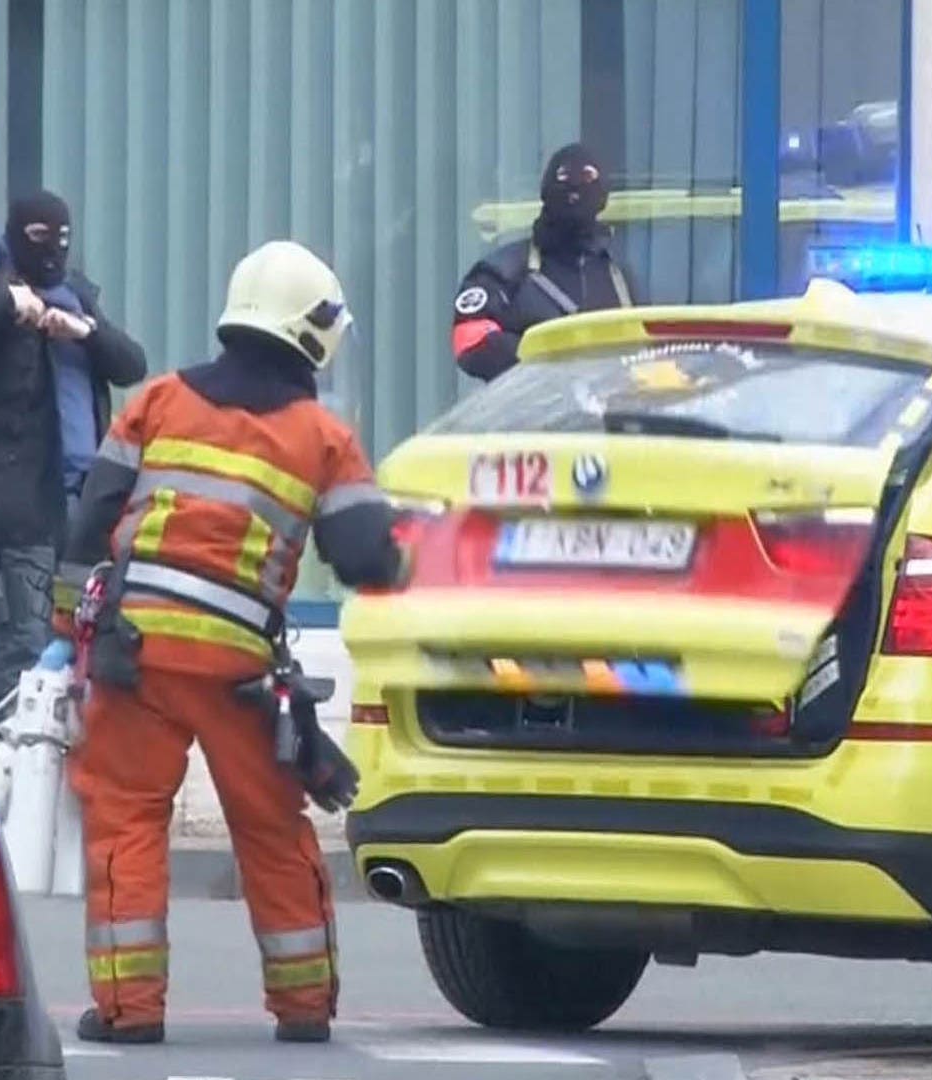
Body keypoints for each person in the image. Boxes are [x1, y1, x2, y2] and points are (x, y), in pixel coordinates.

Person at [56, 240, 407, 1045]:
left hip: (134, 656)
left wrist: (68, 638)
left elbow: (89, 520)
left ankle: (128, 1010)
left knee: (126, 822)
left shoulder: (156, 400)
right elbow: (364, 561)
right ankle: (305, 1006)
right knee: (273, 829)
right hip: (239, 671)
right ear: (313, 332)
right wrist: (409, 549)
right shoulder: (325, 438)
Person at [0, 190, 148, 720]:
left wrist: (83, 332)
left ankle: (41, 768)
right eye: (39, 238)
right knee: (20, 641)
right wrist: (7, 303)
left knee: (78, 641)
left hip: (84, 508)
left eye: (61, 238)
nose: (53, 250)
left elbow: (131, 364)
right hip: (14, 513)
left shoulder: (80, 299)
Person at [450, 143, 637, 381]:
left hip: (605, 414)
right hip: (529, 415)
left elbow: (646, 354)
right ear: (548, 190)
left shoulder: (617, 277)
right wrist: (547, 368)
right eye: (565, 177)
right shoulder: (503, 271)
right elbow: (469, 340)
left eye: (587, 177)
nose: (576, 188)